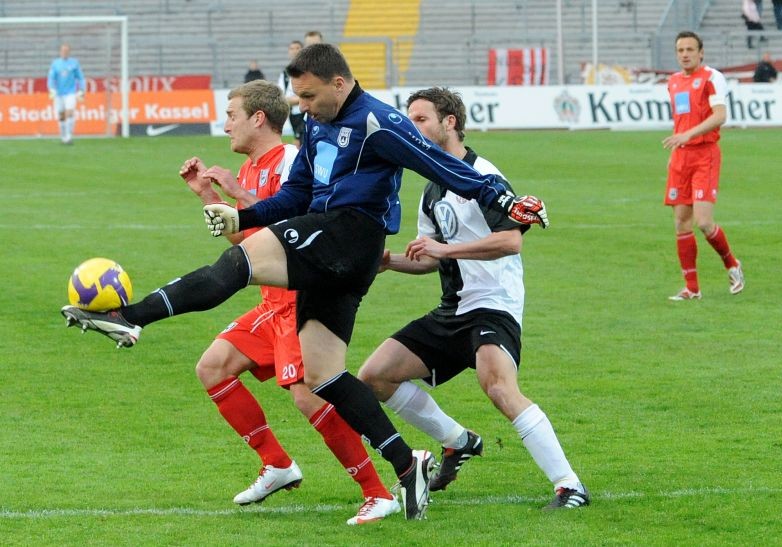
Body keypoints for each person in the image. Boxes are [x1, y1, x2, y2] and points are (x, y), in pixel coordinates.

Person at [61, 44, 547, 520]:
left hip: (349, 235)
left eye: (310, 96)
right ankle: (407, 464)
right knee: (323, 377)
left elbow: (445, 167)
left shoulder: (379, 122)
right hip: (333, 250)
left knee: (236, 265)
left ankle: (131, 317)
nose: (304, 106)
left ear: (339, 83)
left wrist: (506, 201)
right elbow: (296, 194)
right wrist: (243, 215)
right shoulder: (316, 123)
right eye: (299, 97)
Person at [356, 87, 589, 510]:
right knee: (375, 375)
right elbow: (429, 258)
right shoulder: (432, 188)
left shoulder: (484, 176)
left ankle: (570, 486)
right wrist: (389, 262)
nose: (413, 128)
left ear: (450, 122)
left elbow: (511, 241)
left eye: (421, 119)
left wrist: (446, 250)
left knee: (498, 387)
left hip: (494, 305)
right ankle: (457, 441)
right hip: (454, 309)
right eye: (410, 119)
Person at [178, 80, 399, 525]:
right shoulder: (251, 168)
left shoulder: (295, 159)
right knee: (213, 367)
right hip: (270, 303)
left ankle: (378, 492)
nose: (226, 126)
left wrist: (239, 196)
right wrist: (208, 195)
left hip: (301, 300)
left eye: (232, 116)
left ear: (258, 118)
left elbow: (303, 225)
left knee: (309, 396)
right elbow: (246, 241)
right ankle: (276, 464)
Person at [662, 31, 744, 301]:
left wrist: (688, 135)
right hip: (681, 157)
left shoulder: (712, 77)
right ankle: (692, 288)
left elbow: (720, 116)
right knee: (681, 223)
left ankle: (732, 264)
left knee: (704, 222)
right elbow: (681, 120)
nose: (685, 54)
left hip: (705, 155)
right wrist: (677, 147)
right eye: (680, 50)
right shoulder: (673, 82)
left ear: (701, 52)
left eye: (690, 49)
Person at [47, 43, 85, 145]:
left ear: (69, 52)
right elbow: (51, 78)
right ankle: (63, 136)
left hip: (70, 93)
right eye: (63, 50)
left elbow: (80, 78)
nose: (64, 52)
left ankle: (69, 136)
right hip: (59, 94)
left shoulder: (74, 63)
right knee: (62, 116)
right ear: (60, 52)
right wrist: (51, 89)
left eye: (66, 51)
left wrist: (81, 90)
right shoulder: (55, 64)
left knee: (69, 112)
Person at [277, 41, 305, 147]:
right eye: (292, 48)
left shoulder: (308, 70)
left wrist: (297, 100)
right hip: (293, 113)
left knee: (300, 143)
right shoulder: (285, 73)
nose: (294, 51)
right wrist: (288, 100)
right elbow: (280, 94)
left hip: (306, 112)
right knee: (300, 144)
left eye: (297, 48)